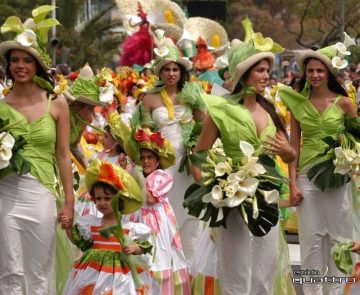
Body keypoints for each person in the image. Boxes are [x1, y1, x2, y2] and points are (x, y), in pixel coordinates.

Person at [191, 22, 296, 293]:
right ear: (245, 74)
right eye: (260, 70)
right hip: (233, 198)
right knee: (235, 271)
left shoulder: (271, 109)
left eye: (267, 71)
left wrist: (288, 153)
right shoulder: (221, 109)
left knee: (264, 272)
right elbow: (199, 154)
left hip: (267, 197)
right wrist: (213, 188)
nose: (266, 76)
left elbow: (289, 151)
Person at [0, 7, 75, 294]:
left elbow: (63, 154)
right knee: (9, 271)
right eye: (15, 60)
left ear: (38, 65)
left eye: (27, 61)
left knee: (39, 270)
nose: (20, 66)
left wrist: (69, 200)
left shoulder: (57, 104)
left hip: (41, 194)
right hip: (5, 193)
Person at [278, 35, 357, 295]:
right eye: (310, 70)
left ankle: (336, 291)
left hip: (339, 177)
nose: (314, 74)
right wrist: (292, 183)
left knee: (339, 237)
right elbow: (294, 147)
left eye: (320, 70)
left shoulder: (345, 103)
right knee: (311, 239)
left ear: (328, 73)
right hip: (307, 177)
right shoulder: (297, 104)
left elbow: (355, 141)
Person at [136, 29, 206, 263]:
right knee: (162, 213)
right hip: (162, 166)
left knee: (188, 215)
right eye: (166, 68)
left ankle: (188, 267)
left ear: (182, 72)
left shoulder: (191, 94)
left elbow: (203, 126)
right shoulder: (149, 99)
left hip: (187, 165)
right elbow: (144, 136)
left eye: (176, 69)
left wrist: (196, 152)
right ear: (160, 71)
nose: (171, 73)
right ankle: (163, 263)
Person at [61, 160, 159, 294]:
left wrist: (134, 248)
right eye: (98, 198)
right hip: (93, 271)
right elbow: (79, 242)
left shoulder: (129, 227)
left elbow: (145, 246)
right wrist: (67, 227)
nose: (102, 203)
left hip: (121, 274)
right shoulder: (92, 223)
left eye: (107, 198)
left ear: (119, 200)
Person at [130, 128, 191, 294]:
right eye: (142, 158)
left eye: (149, 157)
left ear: (157, 160)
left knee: (160, 258)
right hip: (138, 220)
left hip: (157, 225)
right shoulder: (136, 175)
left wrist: (136, 175)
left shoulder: (161, 176)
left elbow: (149, 199)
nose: (145, 161)